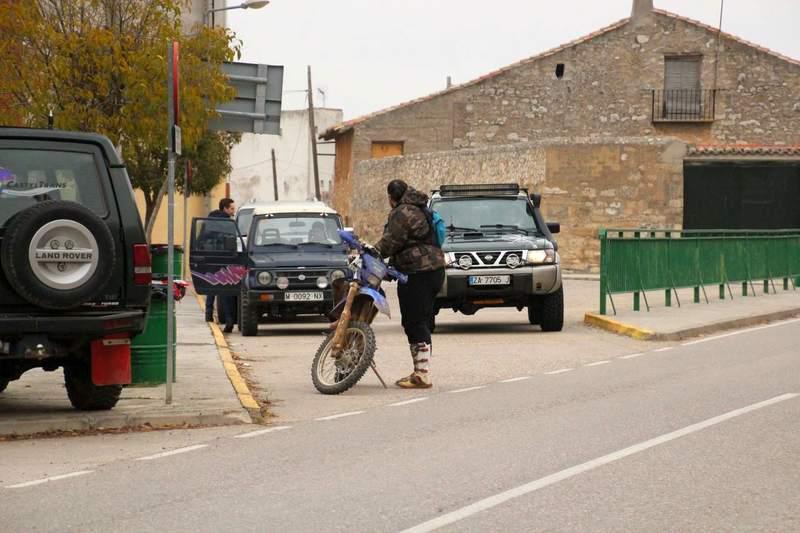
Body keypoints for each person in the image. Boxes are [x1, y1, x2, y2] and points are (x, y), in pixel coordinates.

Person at [374, 180, 445, 389]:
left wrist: (372, 252)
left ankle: (422, 374)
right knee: (421, 320)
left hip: (417, 272)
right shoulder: (421, 208)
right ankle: (420, 371)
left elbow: (390, 242)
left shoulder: (402, 212)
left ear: (391, 197)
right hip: (435, 270)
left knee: (414, 322)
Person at [205, 198, 237, 333]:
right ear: (224, 208)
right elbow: (232, 242)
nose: (233, 211)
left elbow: (203, 238)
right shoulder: (227, 223)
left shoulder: (209, 221)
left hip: (210, 257)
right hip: (224, 258)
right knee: (224, 290)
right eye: (231, 209)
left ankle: (208, 314)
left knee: (211, 286)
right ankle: (229, 320)